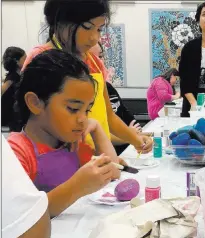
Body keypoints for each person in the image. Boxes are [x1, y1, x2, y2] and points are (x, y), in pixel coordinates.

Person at [22, 0, 152, 154]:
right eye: (87, 27)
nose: (94, 38)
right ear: (60, 21)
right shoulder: (41, 59)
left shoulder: (94, 62)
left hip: (98, 156)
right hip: (58, 162)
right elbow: (31, 126)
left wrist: (136, 140)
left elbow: (108, 116)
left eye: (99, 29)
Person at [8, 49, 120, 218]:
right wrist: (77, 186)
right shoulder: (17, 152)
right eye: (73, 109)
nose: (83, 119)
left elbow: (113, 171)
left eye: (87, 110)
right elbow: (21, 216)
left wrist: (96, 128)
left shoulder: (70, 143)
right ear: (35, 103)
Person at [89, 42, 142, 154]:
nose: (98, 62)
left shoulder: (106, 86)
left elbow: (117, 114)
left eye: (100, 56)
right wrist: (131, 136)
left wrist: (137, 136)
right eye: (91, 57)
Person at [1, 135, 51, 238]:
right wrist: (78, 185)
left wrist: (96, 131)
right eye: (72, 115)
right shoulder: (18, 147)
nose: (82, 120)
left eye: (86, 115)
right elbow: (27, 212)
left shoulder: (73, 146)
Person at [1, 47, 26, 129]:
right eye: (24, 59)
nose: (27, 61)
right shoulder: (12, 77)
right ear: (17, 61)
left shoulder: (19, 75)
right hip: (9, 115)